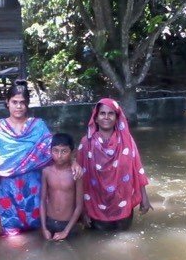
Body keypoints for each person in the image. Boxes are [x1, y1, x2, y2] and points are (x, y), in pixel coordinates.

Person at [0, 80, 53, 236]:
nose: (18, 106)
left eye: (22, 102)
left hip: (33, 188)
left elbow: (54, 153)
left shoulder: (38, 126)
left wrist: (74, 162)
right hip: (6, 189)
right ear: (7, 102)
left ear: (28, 104)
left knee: (37, 232)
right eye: (14, 102)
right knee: (11, 237)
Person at [77, 98, 152, 231]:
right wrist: (82, 209)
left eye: (111, 113)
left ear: (117, 118)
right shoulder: (86, 143)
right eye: (102, 113)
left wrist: (144, 198)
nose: (106, 117)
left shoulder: (127, 141)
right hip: (94, 207)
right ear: (96, 117)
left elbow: (137, 169)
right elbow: (79, 178)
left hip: (122, 205)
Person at [41, 133, 83, 241]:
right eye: (55, 151)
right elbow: (42, 201)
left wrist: (66, 231)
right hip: (49, 223)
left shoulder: (76, 173)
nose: (59, 155)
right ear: (50, 151)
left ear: (72, 152)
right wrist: (44, 228)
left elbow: (79, 206)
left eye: (64, 151)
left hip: (68, 224)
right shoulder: (46, 172)